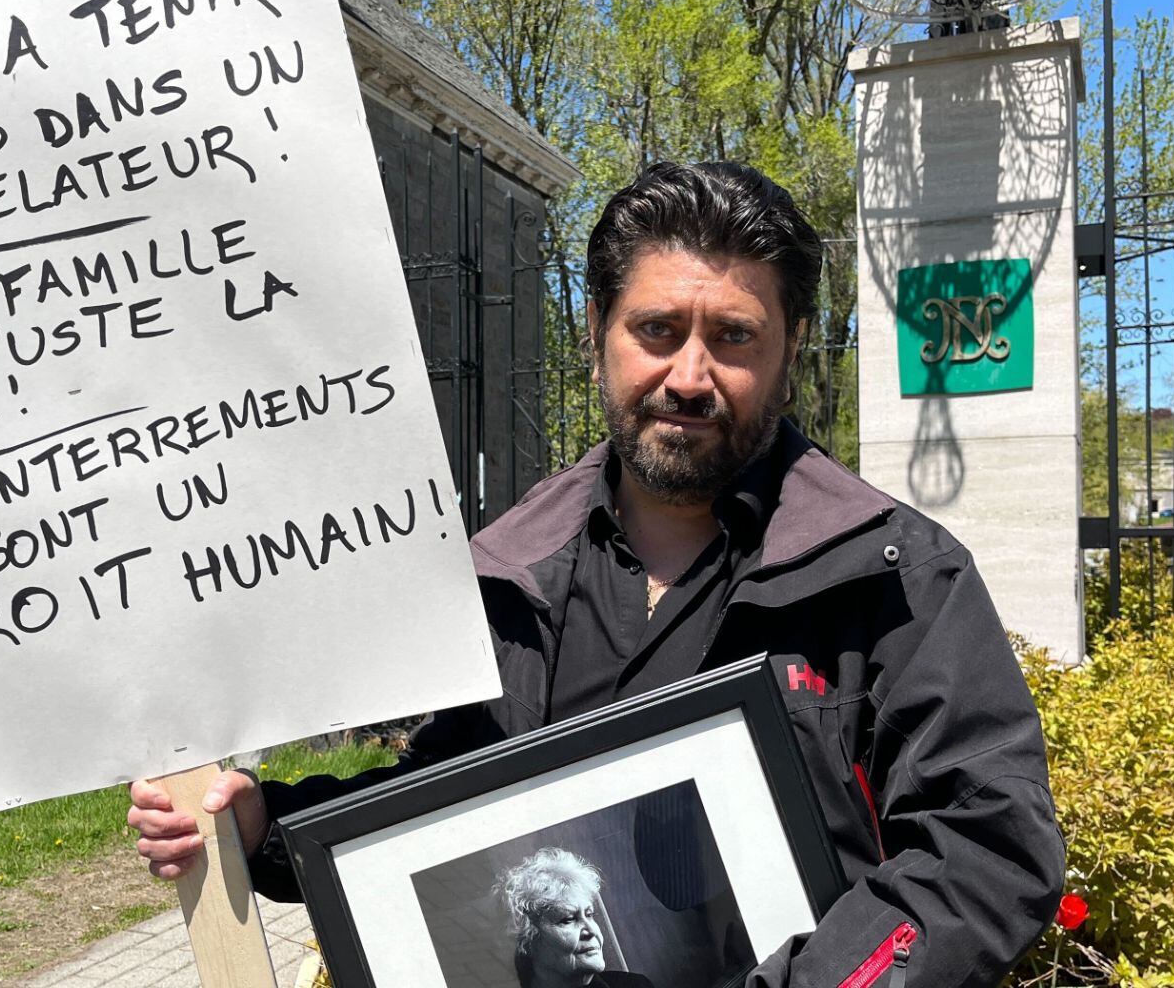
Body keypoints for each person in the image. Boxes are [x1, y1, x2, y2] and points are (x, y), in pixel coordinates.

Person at [129, 162, 1065, 986]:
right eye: (657, 329)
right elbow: (443, 802)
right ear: (597, 332)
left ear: (792, 346)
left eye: (734, 336)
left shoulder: (899, 577)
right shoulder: (508, 577)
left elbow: (988, 849)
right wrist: (266, 829)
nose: (689, 375)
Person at [498, 848, 653, 988]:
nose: (591, 931)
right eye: (568, 919)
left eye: (589, 915)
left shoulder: (636, 985)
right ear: (527, 943)